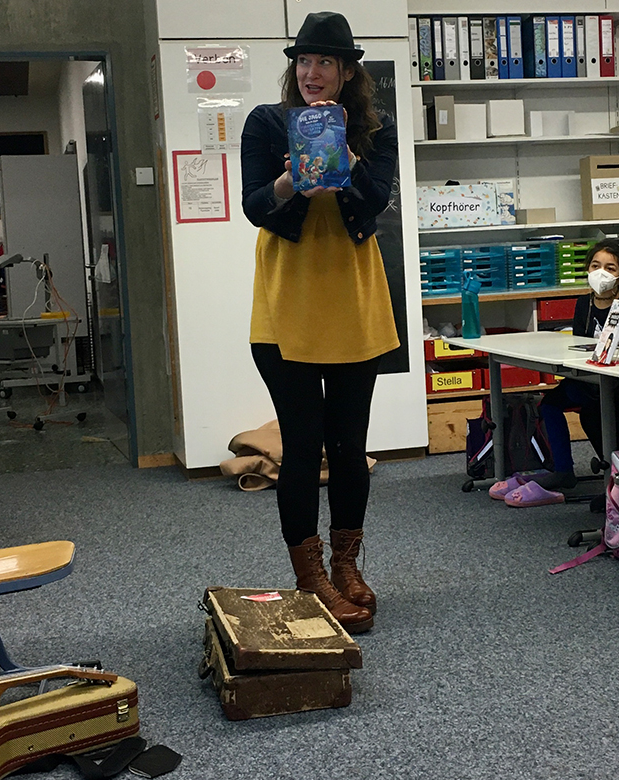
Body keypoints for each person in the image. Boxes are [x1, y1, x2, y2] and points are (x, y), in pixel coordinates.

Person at [240, 11, 399, 634]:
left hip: (354, 300)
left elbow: (376, 200)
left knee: (350, 447)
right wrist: (293, 180)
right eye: (303, 61)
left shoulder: (375, 131)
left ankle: (346, 565)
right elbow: (256, 206)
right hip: (287, 304)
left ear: (347, 71)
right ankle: (310, 577)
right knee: (303, 446)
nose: (312, 72)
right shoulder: (266, 122)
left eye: (325, 62)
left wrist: (345, 159)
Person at [521, 242, 619, 495]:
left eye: (610, 268)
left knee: (594, 412)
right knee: (549, 403)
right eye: (595, 266)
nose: (601, 273)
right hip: (588, 376)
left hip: (617, 380)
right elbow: (580, 342)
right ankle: (563, 471)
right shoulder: (583, 303)